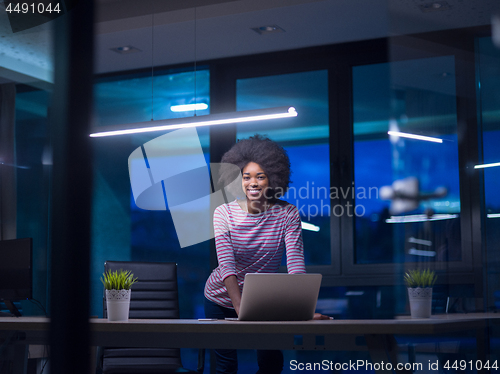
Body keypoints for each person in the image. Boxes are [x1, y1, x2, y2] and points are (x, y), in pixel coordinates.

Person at [204, 135, 329, 374]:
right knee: (226, 366)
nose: (253, 182)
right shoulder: (223, 213)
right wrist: (241, 310)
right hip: (220, 299)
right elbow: (227, 266)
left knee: (272, 364)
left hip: (263, 302)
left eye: (260, 176)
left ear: (272, 178)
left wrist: (303, 310)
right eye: (246, 176)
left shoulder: (287, 214)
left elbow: (295, 265)